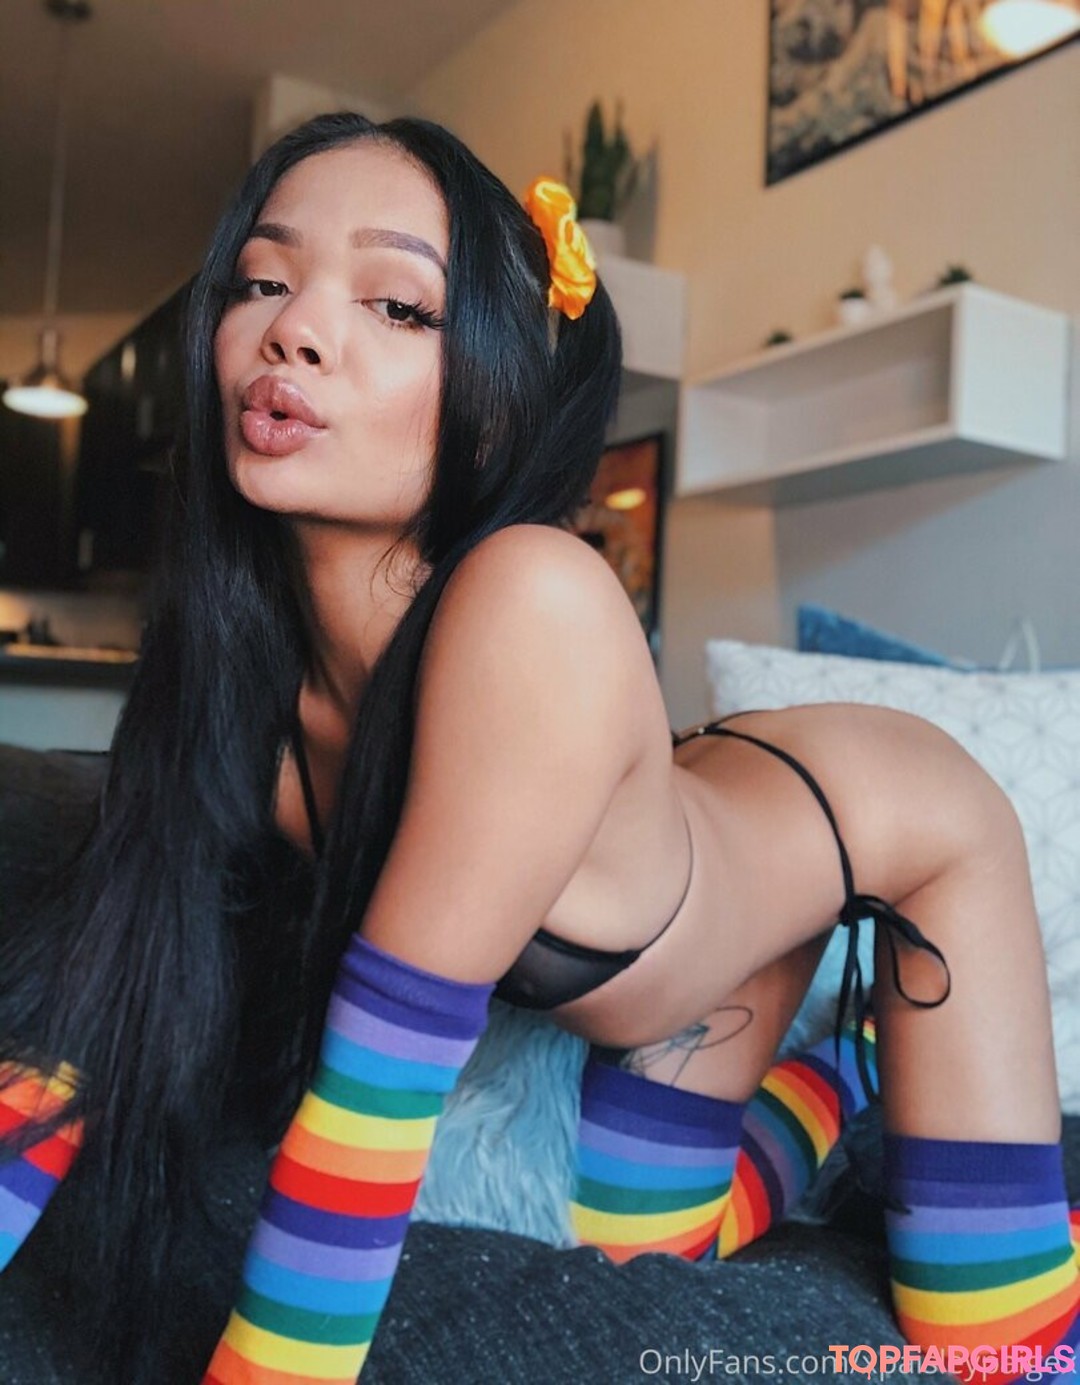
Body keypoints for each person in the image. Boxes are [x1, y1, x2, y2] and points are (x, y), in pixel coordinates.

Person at [1, 110, 1077, 1384]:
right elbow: (95, 1009)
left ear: (496, 407)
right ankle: (833, 1084)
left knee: (1006, 1351)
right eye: (263, 281)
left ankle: (858, 1058)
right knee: (646, 1248)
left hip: (898, 830)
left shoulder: (536, 597)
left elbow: (374, 1093)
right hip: (690, 876)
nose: (296, 329)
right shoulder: (232, 665)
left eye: (398, 305)